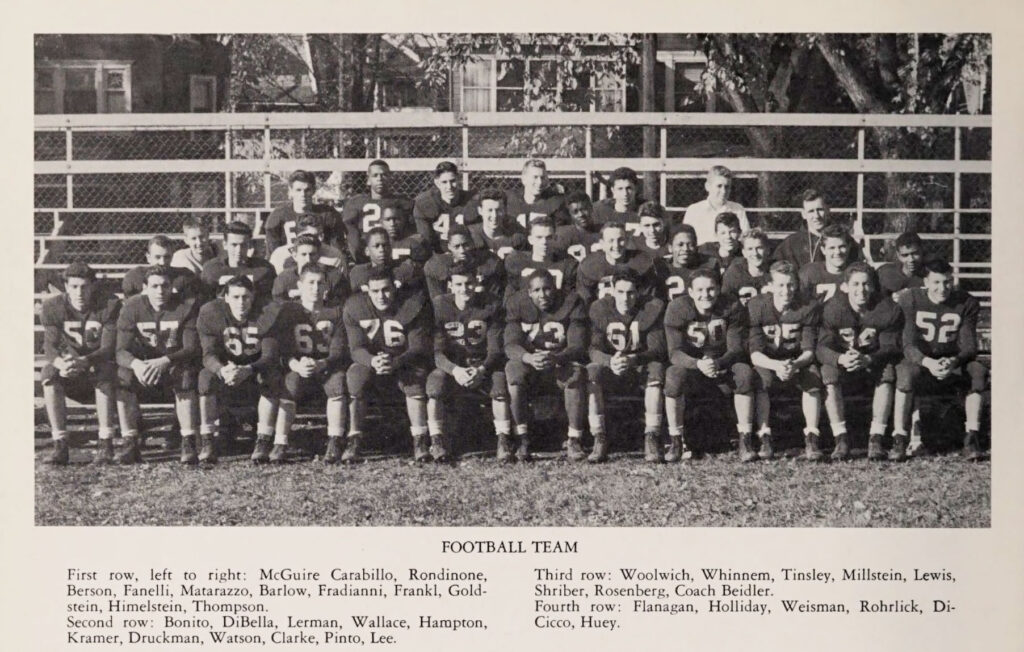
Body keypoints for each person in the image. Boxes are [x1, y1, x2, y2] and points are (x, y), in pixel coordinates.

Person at [894, 259, 988, 461]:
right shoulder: (911, 299)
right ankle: (899, 437)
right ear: (925, 282)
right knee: (905, 373)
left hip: (951, 362)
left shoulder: (966, 302)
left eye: (947, 282)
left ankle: (972, 437)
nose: (942, 288)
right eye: (936, 282)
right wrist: (928, 362)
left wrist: (953, 361)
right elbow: (908, 345)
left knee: (978, 371)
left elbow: (970, 347)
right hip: (921, 361)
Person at [664, 269, 756, 461]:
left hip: (722, 363)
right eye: (700, 290)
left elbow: (736, 348)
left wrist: (718, 362)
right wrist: (698, 363)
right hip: (692, 366)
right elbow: (674, 353)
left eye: (711, 289)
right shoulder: (677, 308)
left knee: (744, 373)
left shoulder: (731, 306)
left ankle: (745, 439)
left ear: (719, 289)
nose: (705, 295)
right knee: (673, 376)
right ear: (690, 292)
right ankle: (676, 440)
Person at [343, 268, 433, 463]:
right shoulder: (355, 306)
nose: (381, 296)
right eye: (375, 291)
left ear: (395, 287)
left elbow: (418, 346)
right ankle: (354, 438)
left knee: (414, 378)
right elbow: (356, 348)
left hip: (404, 360)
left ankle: (420, 439)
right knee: (355, 377)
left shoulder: (411, 305)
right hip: (373, 361)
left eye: (386, 290)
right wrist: (372, 361)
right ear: (367, 290)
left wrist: (397, 362)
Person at [114, 265, 201, 464]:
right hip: (144, 368)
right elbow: (120, 351)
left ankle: (187, 440)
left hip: (173, 364)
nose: (160, 291)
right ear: (145, 287)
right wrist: (136, 364)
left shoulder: (185, 307)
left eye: (165, 286)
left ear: (172, 287)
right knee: (122, 376)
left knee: (186, 375)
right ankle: (130, 441)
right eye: (154, 286)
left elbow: (191, 348)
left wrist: (165, 361)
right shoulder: (132, 307)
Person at [816, 263, 903, 462]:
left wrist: (869, 359)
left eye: (866, 284)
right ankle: (841, 438)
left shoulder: (887, 308)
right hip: (844, 363)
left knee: (887, 372)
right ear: (845, 286)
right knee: (829, 372)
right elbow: (821, 348)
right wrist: (840, 358)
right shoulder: (832, 309)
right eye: (855, 284)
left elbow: (891, 347)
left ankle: (876, 437)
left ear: (873, 286)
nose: (861, 290)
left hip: (873, 362)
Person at [427, 261, 510, 462]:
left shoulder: (491, 305)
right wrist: (455, 370)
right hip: (452, 365)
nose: (465, 289)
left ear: (477, 282)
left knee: (499, 386)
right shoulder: (439, 306)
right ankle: (436, 441)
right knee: (434, 386)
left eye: (469, 283)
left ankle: (504, 440)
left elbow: (495, 349)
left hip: (482, 363)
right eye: (459, 284)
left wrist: (481, 369)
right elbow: (437, 353)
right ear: (451, 286)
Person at [39, 263, 122, 465]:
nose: (79, 292)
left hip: (96, 362)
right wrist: (61, 363)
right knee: (49, 375)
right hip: (69, 366)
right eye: (74, 286)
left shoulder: (110, 304)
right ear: (66, 286)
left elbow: (108, 347)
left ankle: (105, 442)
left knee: (106, 374)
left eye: (84, 286)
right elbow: (49, 347)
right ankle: (60, 443)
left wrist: (84, 361)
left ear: (93, 286)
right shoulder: (52, 306)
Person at [267, 264, 350, 464]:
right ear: (300, 285)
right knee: (290, 385)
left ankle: (335, 439)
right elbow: (283, 348)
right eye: (310, 283)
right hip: (298, 366)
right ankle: (280, 442)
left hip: (326, 366)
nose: (315, 288)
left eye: (320, 283)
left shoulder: (336, 312)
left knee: (337, 383)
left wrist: (322, 363)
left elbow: (338, 350)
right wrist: (295, 364)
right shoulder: (288, 311)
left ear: (327, 288)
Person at [196, 275, 282, 464]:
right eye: (235, 297)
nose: (241, 302)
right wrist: (222, 369)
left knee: (272, 377)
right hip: (227, 370)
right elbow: (208, 354)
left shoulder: (267, 312)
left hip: (256, 368)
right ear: (225, 297)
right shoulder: (211, 312)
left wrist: (248, 369)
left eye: (246, 297)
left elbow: (270, 356)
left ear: (254, 297)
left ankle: (263, 439)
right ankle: (208, 439)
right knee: (205, 378)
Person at [504, 269, 587, 462]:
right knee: (513, 371)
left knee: (575, 374)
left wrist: (557, 357)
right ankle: (522, 438)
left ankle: (574, 439)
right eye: (537, 290)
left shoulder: (572, 302)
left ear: (555, 289)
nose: (543, 295)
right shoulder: (517, 304)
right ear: (529, 292)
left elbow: (578, 345)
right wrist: (528, 358)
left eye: (547, 289)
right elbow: (510, 344)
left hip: (559, 363)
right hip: (532, 366)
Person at [586, 269, 666, 463]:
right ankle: (599, 436)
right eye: (620, 292)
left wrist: (633, 360)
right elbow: (593, 349)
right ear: (612, 290)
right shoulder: (600, 308)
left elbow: (657, 349)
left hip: (639, 366)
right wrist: (609, 361)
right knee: (592, 371)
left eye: (630, 292)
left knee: (656, 369)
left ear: (638, 292)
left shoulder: (651, 307)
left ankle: (652, 435)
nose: (625, 298)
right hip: (612, 367)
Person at [747, 261, 825, 461]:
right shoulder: (757, 306)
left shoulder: (808, 306)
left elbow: (809, 350)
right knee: (761, 380)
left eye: (790, 285)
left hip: (797, 360)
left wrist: (794, 365)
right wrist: (777, 366)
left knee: (813, 378)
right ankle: (764, 434)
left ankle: (812, 435)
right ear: (770, 286)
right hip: (767, 361)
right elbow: (754, 353)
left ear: (796, 285)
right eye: (780, 285)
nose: (786, 290)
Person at [341, 160, 411, 263]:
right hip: (366, 252)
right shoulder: (355, 203)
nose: (380, 179)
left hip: (394, 250)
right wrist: (359, 256)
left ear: (390, 178)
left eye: (384, 175)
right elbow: (352, 236)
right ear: (368, 180)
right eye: (375, 175)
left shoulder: (403, 202)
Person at [773, 189, 862, 268]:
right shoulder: (791, 243)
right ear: (803, 214)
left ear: (828, 210)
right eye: (811, 211)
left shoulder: (842, 239)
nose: (816, 216)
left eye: (820, 210)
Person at [263, 170, 343, 255]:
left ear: (314, 190)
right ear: (290, 191)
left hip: (321, 262)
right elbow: (274, 254)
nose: (303, 194)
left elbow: (336, 250)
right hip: (289, 264)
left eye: (307, 190)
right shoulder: (278, 216)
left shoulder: (327, 214)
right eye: (298, 190)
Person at [577, 222, 660, 302]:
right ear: (602, 243)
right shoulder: (590, 265)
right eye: (611, 240)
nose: (616, 245)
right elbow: (586, 300)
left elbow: (648, 299)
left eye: (620, 240)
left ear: (627, 241)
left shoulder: (641, 261)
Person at [503, 217, 578, 303]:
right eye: (539, 237)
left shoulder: (566, 265)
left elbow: (570, 301)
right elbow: (509, 301)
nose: (544, 242)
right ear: (530, 240)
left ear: (555, 238)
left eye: (549, 237)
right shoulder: (518, 262)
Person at [200, 221, 276, 303]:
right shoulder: (212, 269)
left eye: (243, 245)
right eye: (234, 245)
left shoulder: (264, 269)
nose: (238, 250)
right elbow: (205, 302)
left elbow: (269, 303)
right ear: (225, 244)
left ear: (249, 245)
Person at [424, 225, 505, 300]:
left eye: (466, 245)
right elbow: (437, 301)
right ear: (449, 247)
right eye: (456, 246)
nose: (462, 250)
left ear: (472, 243)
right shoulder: (438, 265)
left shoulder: (489, 260)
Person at [413, 161, 476, 254]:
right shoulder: (425, 203)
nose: (449, 186)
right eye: (444, 182)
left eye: (453, 181)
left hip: (466, 253)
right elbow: (426, 239)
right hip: (438, 255)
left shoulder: (471, 200)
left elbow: (477, 235)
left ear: (458, 179)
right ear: (437, 183)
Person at [271, 235, 349, 303]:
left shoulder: (333, 276)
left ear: (319, 255)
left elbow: (342, 306)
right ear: (295, 256)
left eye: (312, 254)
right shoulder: (284, 278)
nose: (308, 259)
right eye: (303, 254)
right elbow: (277, 305)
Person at [682, 166, 750, 245]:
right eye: (719, 186)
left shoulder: (738, 209)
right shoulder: (694, 210)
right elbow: (685, 239)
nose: (724, 191)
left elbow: (746, 240)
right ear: (707, 186)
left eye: (727, 187)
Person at [349, 227, 425, 294]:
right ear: (367, 251)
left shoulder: (404, 268)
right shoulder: (357, 273)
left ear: (390, 248)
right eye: (376, 246)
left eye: (385, 245)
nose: (381, 250)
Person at [123, 235, 200, 299]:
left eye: (167, 257)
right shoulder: (135, 276)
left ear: (172, 256)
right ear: (148, 257)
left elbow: (192, 305)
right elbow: (129, 307)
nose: (162, 262)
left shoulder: (184, 276)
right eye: (157, 257)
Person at [658, 225, 720, 303]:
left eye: (690, 245)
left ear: (696, 247)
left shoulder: (708, 266)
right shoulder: (661, 268)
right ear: (670, 248)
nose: (685, 249)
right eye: (680, 245)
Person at [502, 159, 569, 230]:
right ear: (524, 179)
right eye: (535, 177)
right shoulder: (509, 198)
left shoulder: (555, 202)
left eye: (542, 177)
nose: (540, 182)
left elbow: (560, 233)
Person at [268, 214, 346, 274]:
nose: (318, 240)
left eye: (320, 235)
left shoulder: (333, 255)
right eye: (311, 236)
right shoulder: (280, 256)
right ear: (298, 236)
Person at [798, 224, 854, 304]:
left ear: (849, 247)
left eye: (842, 246)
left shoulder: (856, 273)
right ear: (823, 250)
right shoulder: (809, 273)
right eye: (832, 248)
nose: (837, 252)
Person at [467, 188, 528, 260]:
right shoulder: (469, 235)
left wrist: (516, 255)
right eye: (489, 210)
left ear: (505, 210)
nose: (494, 215)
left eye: (499, 210)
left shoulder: (516, 236)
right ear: (480, 211)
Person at [722, 228, 772, 307]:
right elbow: (724, 303)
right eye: (750, 249)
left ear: (768, 250)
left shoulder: (776, 271)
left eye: (759, 248)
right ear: (744, 252)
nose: (755, 253)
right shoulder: (734, 273)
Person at [553, 191, 603, 263]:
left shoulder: (603, 230)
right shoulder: (565, 235)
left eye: (584, 209)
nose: (581, 214)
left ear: (591, 208)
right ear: (570, 214)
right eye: (575, 212)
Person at [380, 199, 431, 264]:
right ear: (381, 222)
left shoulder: (414, 243)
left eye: (396, 219)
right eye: (388, 219)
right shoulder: (375, 244)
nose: (392, 224)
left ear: (403, 220)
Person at [878, 231, 926, 300]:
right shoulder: (885, 273)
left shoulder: (931, 273)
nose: (911, 259)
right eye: (905, 255)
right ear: (898, 255)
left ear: (922, 251)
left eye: (915, 253)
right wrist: (892, 298)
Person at [593, 167, 642, 234]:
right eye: (620, 189)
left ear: (635, 188)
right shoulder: (599, 210)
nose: (625, 193)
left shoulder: (645, 210)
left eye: (629, 188)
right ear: (613, 190)